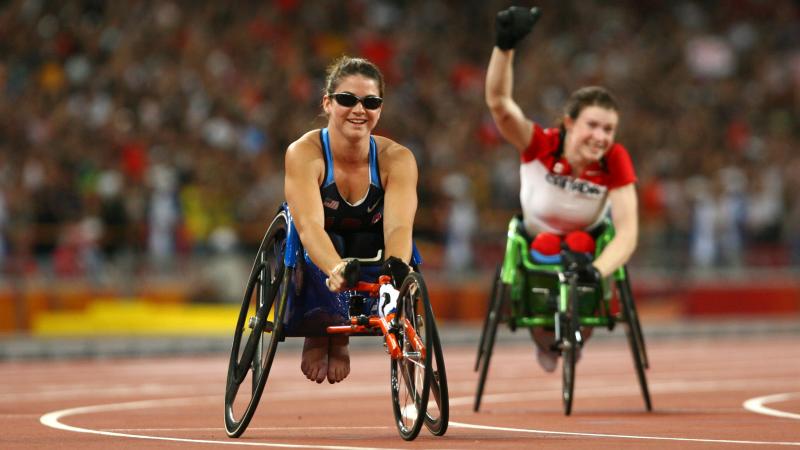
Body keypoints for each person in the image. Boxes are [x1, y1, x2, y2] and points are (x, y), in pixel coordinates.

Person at [486, 7, 639, 372]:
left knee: (583, 246)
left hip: (586, 248)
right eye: (593, 126)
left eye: (608, 129)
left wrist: (598, 270)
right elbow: (499, 105)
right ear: (569, 123)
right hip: (536, 241)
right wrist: (504, 48)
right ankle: (543, 333)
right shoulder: (541, 143)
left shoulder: (615, 159)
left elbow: (628, 231)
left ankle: (578, 329)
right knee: (544, 247)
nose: (601, 137)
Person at [284, 56, 417, 384]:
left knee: (405, 257)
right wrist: (336, 269)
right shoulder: (304, 153)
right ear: (327, 103)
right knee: (305, 236)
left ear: (380, 110)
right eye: (347, 100)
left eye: (370, 102)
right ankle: (321, 327)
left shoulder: (396, 159)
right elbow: (309, 227)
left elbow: (400, 226)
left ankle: (341, 329)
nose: (359, 110)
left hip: (369, 237)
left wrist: (396, 268)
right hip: (317, 243)